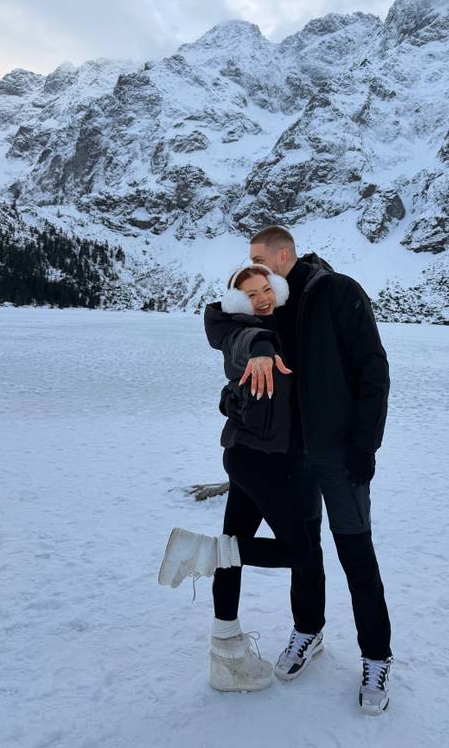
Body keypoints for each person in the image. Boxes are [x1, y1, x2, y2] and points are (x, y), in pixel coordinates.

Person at [245, 225, 393, 716]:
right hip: (294, 455)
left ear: (284, 256)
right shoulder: (271, 307)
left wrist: (365, 446)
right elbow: (220, 322)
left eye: (261, 261)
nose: (255, 273)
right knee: (305, 550)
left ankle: (376, 656)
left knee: (356, 553)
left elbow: (374, 369)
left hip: (340, 456)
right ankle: (308, 630)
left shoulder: (340, 292)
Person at [157, 264, 311, 693]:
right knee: (299, 551)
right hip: (257, 462)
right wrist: (261, 346)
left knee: (234, 550)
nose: (261, 298)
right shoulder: (245, 331)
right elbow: (243, 341)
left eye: (267, 289)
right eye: (250, 294)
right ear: (237, 303)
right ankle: (201, 550)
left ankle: (226, 654)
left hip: (246, 457)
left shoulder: (275, 322)